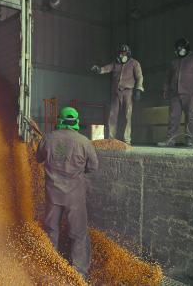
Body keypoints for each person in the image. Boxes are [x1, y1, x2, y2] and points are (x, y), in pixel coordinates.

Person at [36, 107, 98, 279]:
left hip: (53, 194)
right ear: (76, 121)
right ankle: (79, 273)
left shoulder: (48, 139)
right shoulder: (84, 142)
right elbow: (93, 167)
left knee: (50, 230)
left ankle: (49, 267)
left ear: (60, 120)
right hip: (75, 196)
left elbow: (38, 158)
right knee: (78, 233)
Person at [158, 38, 193, 147]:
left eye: (181, 49)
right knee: (173, 117)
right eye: (178, 50)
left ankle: (190, 140)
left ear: (186, 48)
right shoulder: (174, 62)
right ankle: (170, 140)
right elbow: (168, 77)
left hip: (192, 93)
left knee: (191, 116)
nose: (179, 51)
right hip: (175, 94)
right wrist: (165, 89)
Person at [91, 44, 144, 145]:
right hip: (116, 93)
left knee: (127, 115)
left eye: (124, 53)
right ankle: (111, 139)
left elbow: (139, 77)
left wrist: (138, 89)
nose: (121, 55)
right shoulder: (115, 63)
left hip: (128, 92)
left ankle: (126, 140)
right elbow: (106, 68)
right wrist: (99, 69)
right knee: (112, 115)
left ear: (128, 54)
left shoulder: (134, 63)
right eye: (120, 53)